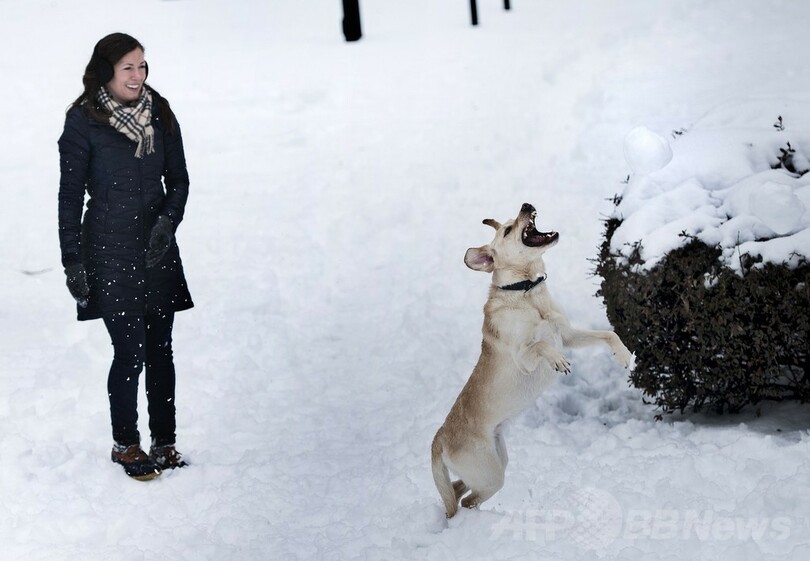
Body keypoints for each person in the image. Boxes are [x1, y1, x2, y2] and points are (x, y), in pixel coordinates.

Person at [58, 33, 193, 481]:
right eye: (128, 68)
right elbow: (70, 195)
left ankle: (166, 441)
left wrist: (166, 224)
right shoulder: (82, 122)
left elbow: (179, 181)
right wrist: (72, 260)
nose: (138, 76)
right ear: (107, 72)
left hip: (155, 251)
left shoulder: (161, 112)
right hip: (108, 250)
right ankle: (126, 443)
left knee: (161, 351)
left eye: (142, 66)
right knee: (130, 351)